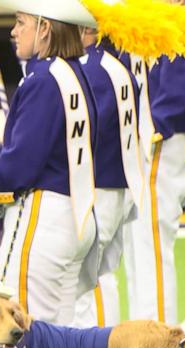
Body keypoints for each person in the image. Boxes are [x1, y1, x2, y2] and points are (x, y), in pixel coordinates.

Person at [0, 0, 99, 325]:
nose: (14, 31)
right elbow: (32, 148)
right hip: (78, 215)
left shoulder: (42, 80)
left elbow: (17, 170)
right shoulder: (77, 73)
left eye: (21, 22)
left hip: (44, 218)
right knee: (61, 337)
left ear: (44, 28)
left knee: (29, 333)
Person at [123, 0, 185, 325]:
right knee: (139, 248)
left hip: (160, 145)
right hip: (152, 144)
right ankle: (143, 333)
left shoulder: (182, 31)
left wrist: (136, 134)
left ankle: (160, 345)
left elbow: (170, 102)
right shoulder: (160, 28)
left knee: (150, 246)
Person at [72, 28, 141, 327]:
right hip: (119, 184)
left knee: (90, 281)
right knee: (102, 277)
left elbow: (86, 134)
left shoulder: (91, 69)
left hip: (98, 186)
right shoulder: (117, 65)